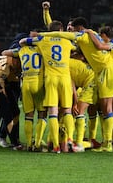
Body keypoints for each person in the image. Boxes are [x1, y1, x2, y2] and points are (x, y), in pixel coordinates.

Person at [37, 17, 113, 152]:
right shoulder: (93, 34)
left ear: (78, 28)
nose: (71, 30)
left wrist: (43, 35)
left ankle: (93, 143)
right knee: (110, 108)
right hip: (112, 69)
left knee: (93, 109)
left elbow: (60, 34)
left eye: (73, 28)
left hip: (102, 72)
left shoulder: (82, 35)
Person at [20, 21, 75, 153]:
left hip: (50, 79)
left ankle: (55, 146)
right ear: (60, 29)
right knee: (67, 110)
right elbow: (77, 49)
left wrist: (37, 37)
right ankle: (70, 140)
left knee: (53, 113)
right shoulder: (67, 41)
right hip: (65, 78)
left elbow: (22, 41)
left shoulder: (42, 40)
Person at [2, 31, 47, 152]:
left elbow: (4, 52)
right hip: (38, 83)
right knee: (42, 114)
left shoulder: (21, 50)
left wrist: (19, 48)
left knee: (29, 115)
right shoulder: (42, 48)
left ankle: (28, 143)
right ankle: (37, 143)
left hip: (26, 84)